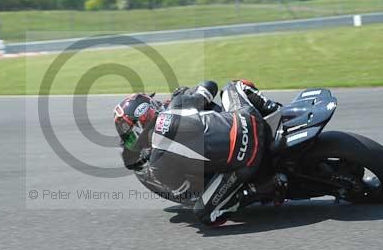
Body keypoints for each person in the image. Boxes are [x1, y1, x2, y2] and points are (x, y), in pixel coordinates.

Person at [114, 80, 286, 226]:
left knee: (205, 214)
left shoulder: (157, 163)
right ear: (151, 108)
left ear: (138, 128)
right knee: (233, 86)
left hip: (246, 163)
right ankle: (275, 110)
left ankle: (260, 189)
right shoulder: (177, 104)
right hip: (249, 119)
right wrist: (190, 94)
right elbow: (210, 86)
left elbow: (190, 194)